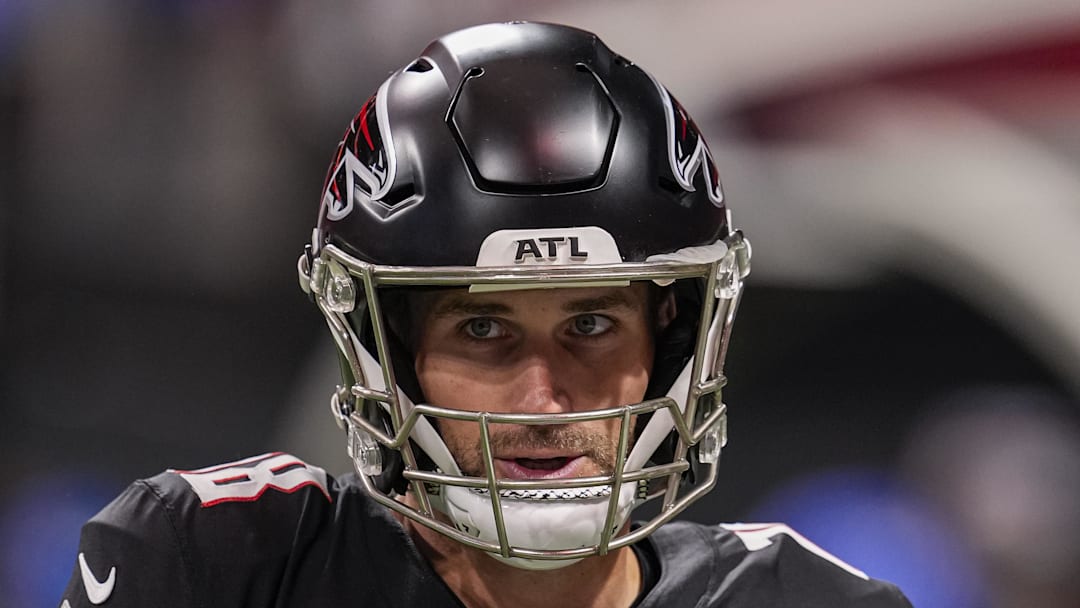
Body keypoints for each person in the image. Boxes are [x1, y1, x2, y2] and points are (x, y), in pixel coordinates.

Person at [61, 22, 911, 607]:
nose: (545, 401)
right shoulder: (220, 569)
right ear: (388, 349)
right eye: (484, 329)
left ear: (673, 341)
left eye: (590, 326)